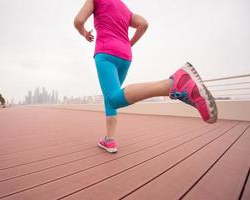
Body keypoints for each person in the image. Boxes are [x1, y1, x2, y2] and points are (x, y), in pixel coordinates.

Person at [74, 0, 218, 154]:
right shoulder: (124, 8)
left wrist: (84, 33)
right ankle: (109, 140)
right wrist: (128, 44)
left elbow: (78, 21)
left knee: (112, 99)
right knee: (113, 97)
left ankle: (173, 84)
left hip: (106, 52)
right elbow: (144, 23)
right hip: (125, 56)